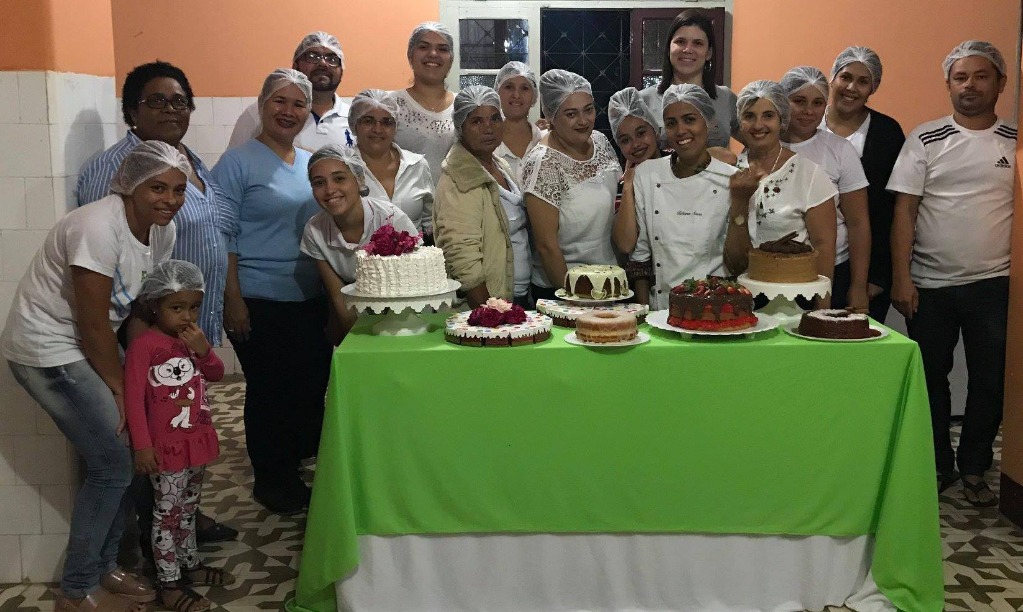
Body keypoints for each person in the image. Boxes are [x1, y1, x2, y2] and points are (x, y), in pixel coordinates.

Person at [1, 141, 190, 612]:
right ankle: (76, 587)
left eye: (179, 190)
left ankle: (106, 567)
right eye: (157, 188)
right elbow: (90, 322)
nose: (169, 199)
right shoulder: (97, 227)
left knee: (122, 457)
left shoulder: (160, 232)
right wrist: (122, 389)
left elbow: (136, 311)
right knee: (113, 464)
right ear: (130, 186)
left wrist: (147, 373)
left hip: (88, 346)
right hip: (46, 349)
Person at [75, 60, 238, 550]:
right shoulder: (116, 167)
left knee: (180, 420)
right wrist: (140, 334)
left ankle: (179, 516)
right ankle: (147, 536)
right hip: (145, 333)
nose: (171, 108)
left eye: (180, 101)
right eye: (156, 100)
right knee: (148, 431)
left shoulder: (183, 157)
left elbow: (214, 229)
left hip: (183, 328)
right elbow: (112, 252)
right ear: (130, 111)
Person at [888, 41, 1014, 506]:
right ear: (948, 84)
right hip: (930, 285)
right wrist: (902, 277)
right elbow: (905, 211)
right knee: (930, 377)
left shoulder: (1015, 143)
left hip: (994, 284)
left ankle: (976, 465)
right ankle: (939, 463)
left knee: (990, 378)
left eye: (981, 76)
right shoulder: (925, 139)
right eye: (960, 77)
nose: (970, 86)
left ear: (1000, 82)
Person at [213, 69, 332, 515]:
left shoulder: (308, 163)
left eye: (298, 103)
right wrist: (233, 299)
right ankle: (272, 480)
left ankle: (295, 466)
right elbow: (221, 235)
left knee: (308, 387)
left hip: (309, 295)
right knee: (270, 392)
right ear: (262, 106)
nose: (289, 111)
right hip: (259, 298)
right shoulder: (237, 163)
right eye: (279, 101)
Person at [124, 260, 236, 612]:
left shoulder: (191, 341)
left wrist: (204, 349)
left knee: (188, 509)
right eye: (177, 308)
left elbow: (216, 374)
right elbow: (133, 400)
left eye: (193, 307)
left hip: (195, 440)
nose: (187, 316)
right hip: (167, 447)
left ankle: (190, 565)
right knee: (167, 513)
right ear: (156, 305)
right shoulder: (145, 346)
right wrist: (142, 446)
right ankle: (169, 581)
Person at [630, 84, 751, 309]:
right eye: (671, 123)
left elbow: (738, 265)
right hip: (660, 309)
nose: (680, 130)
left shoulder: (733, 180)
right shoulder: (647, 173)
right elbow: (641, 256)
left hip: (713, 308)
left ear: (709, 123)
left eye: (689, 119)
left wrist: (741, 202)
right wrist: (644, 314)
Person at [300, 145, 419, 344]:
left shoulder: (390, 218)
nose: (330, 190)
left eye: (339, 178)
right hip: (355, 317)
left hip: (405, 316)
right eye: (319, 183)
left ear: (359, 179)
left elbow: (415, 283)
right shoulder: (315, 231)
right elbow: (339, 298)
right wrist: (361, 344)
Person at [521, 70, 621, 301]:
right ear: (551, 117)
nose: (584, 121)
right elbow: (546, 247)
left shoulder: (600, 142)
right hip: (563, 289)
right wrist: (574, 298)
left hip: (608, 279)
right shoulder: (543, 163)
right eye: (571, 114)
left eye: (589, 109)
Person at [822, 46, 905, 322]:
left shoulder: (887, 133)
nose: (851, 87)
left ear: (874, 88)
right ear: (831, 78)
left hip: (863, 269)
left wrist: (878, 275)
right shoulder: (805, 124)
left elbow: (890, 210)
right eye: (845, 77)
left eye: (863, 81)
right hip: (806, 262)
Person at [780, 66, 871, 312]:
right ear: (781, 101)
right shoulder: (763, 147)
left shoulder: (840, 150)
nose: (809, 111)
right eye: (799, 101)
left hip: (833, 269)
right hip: (775, 271)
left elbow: (858, 223)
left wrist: (859, 286)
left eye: (818, 102)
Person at [736, 81, 838, 297]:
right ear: (739, 121)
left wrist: (820, 306)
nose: (758, 125)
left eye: (768, 116)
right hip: (735, 297)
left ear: (782, 119)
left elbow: (824, 247)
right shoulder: (729, 171)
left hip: (792, 300)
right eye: (749, 116)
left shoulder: (809, 175)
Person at [434, 86, 530, 308]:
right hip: (489, 304)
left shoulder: (499, 164)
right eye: (476, 121)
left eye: (495, 118)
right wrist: (490, 312)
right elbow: (462, 256)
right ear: (461, 127)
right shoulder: (459, 177)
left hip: (516, 295)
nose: (489, 128)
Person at [228, 31, 353, 151]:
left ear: (342, 71)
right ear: (295, 66)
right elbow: (233, 165)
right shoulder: (262, 112)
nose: (323, 63)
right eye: (312, 56)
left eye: (332, 59)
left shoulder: (355, 119)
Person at [639, 9, 739, 149]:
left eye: (697, 43)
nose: (687, 49)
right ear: (668, 49)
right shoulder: (644, 100)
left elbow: (758, 137)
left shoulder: (725, 97)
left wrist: (740, 163)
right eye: (680, 41)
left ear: (709, 52)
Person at [349, 89, 434, 232]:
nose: (378, 129)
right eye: (368, 121)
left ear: (395, 127)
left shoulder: (417, 166)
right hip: (357, 254)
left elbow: (430, 220)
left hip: (416, 253)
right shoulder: (343, 167)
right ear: (354, 125)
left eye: (386, 122)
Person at [390, 22, 458, 191]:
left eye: (442, 49)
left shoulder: (463, 107)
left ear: (451, 59)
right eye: (424, 47)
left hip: (455, 210)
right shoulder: (391, 105)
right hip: (404, 211)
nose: (433, 54)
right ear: (410, 55)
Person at [608, 87, 669, 262]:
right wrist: (628, 187)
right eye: (625, 140)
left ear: (655, 130)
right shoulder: (623, 183)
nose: (635, 144)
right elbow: (625, 245)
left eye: (641, 133)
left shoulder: (678, 162)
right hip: (641, 278)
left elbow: (724, 156)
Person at [494, 61, 542, 180]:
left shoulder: (544, 141)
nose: (516, 95)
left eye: (524, 88)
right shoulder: (487, 144)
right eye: (509, 87)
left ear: (534, 96)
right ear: (497, 92)